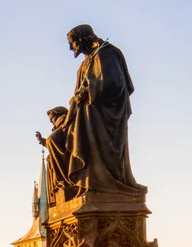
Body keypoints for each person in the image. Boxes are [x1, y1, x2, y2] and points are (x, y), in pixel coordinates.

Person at [61, 24, 145, 196]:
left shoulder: (105, 53)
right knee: (71, 129)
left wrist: (87, 92)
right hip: (89, 114)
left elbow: (115, 84)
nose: (71, 48)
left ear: (82, 38)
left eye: (73, 43)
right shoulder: (85, 63)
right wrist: (76, 99)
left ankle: (104, 184)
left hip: (104, 115)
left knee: (86, 118)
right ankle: (87, 183)